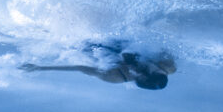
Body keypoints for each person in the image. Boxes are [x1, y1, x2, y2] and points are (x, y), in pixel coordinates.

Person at [20, 41, 176, 91]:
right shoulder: (167, 67)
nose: (153, 66)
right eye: (156, 69)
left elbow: (79, 68)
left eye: (140, 72)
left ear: (139, 77)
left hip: (98, 49)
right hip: (122, 43)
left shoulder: (115, 76)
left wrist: (40, 67)